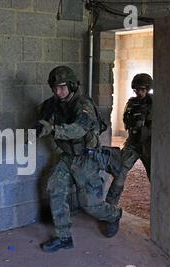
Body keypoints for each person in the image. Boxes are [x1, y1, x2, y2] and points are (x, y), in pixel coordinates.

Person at [36, 66, 122, 253]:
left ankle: (114, 215)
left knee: (90, 204)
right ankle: (64, 237)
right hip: (67, 156)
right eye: (54, 88)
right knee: (55, 189)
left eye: (61, 87)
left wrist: (53, 129)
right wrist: (40, 124)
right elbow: (42, 114)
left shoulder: (83, 105)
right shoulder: (55, 103)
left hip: (86, 159)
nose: (57, 92)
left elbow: (78, 129)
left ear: (72, 86)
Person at [106, 73, 153, 205]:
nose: (138, 92)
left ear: (148, 89)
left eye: (142, 89)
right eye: (136, 89)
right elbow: (126, 119)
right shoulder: (132, 103)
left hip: (149, 145)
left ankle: (162, 210)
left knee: (156, 176)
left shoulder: (155, 104)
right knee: (120, 171)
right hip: (133, 143)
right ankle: (110, 207)